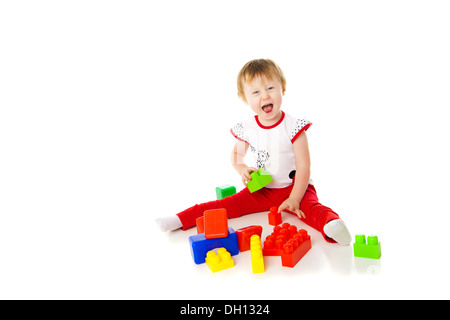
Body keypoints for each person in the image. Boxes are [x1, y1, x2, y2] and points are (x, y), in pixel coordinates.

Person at [156, 59, 351, 245]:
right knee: (226, 204)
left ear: (282, 88)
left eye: (270, 88)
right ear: (245, 98)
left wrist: (294, 198)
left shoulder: (293, 127)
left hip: (295, 188)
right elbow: (236, 156)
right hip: (262, 190)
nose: (265, 96)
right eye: (256, 92)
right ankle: (180, 219)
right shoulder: (249, 128)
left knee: (311, 209)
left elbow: (304, 167)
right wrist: (242, 169)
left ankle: (332, 225)